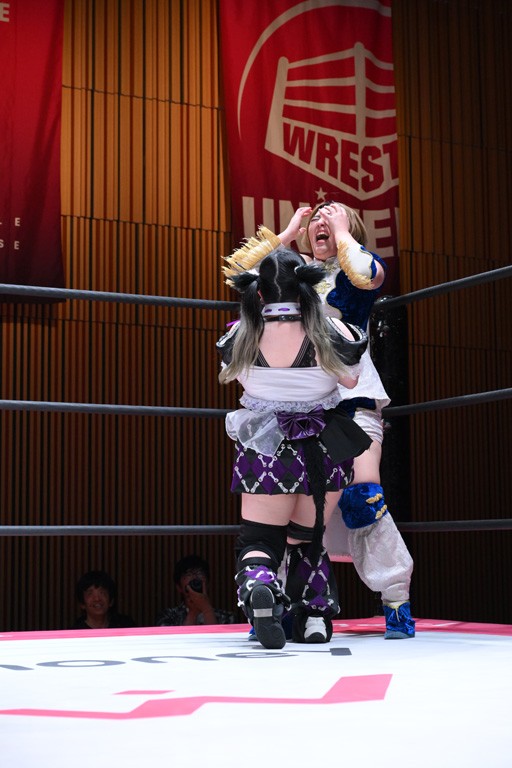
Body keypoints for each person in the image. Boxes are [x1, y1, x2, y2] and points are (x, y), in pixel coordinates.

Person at [222, 202, 415, 640]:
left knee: (363, 497)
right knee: (285, 511)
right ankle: (282, 606)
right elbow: (240, 273)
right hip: (294, 405)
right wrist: (287, 234)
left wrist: (345, 233)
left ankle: (395, 597)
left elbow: (367, 274)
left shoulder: (354, 270)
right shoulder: (292, 274)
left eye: (334, 215)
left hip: (349, 399)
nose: (322, 221)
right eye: (317, 219)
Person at [218, 247, 371, 649]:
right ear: (308, 289)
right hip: (324, 446)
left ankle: (260, 588)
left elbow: (236, 376)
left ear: (260, 293)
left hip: (266, 448)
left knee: (259, 541)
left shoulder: (241, 334)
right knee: (309, 539)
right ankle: (313, 619)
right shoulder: (333, 332)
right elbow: (352, 381)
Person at [155, 554, 236, 626]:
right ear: (179, 587)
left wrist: (206, 609)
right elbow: (173, 638)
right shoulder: (168, 616)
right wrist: (193, 611)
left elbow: (221, 638)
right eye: (188, 574)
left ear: (207, 583)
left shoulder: (228, 617)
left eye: (200, 573)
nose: (195, 577)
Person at [71, 570, 137, 629]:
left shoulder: (125, 626)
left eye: (102, 593)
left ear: (111, 601)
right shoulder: (75, 631)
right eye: (90, 594)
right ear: (82, 604)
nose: (97, 599)